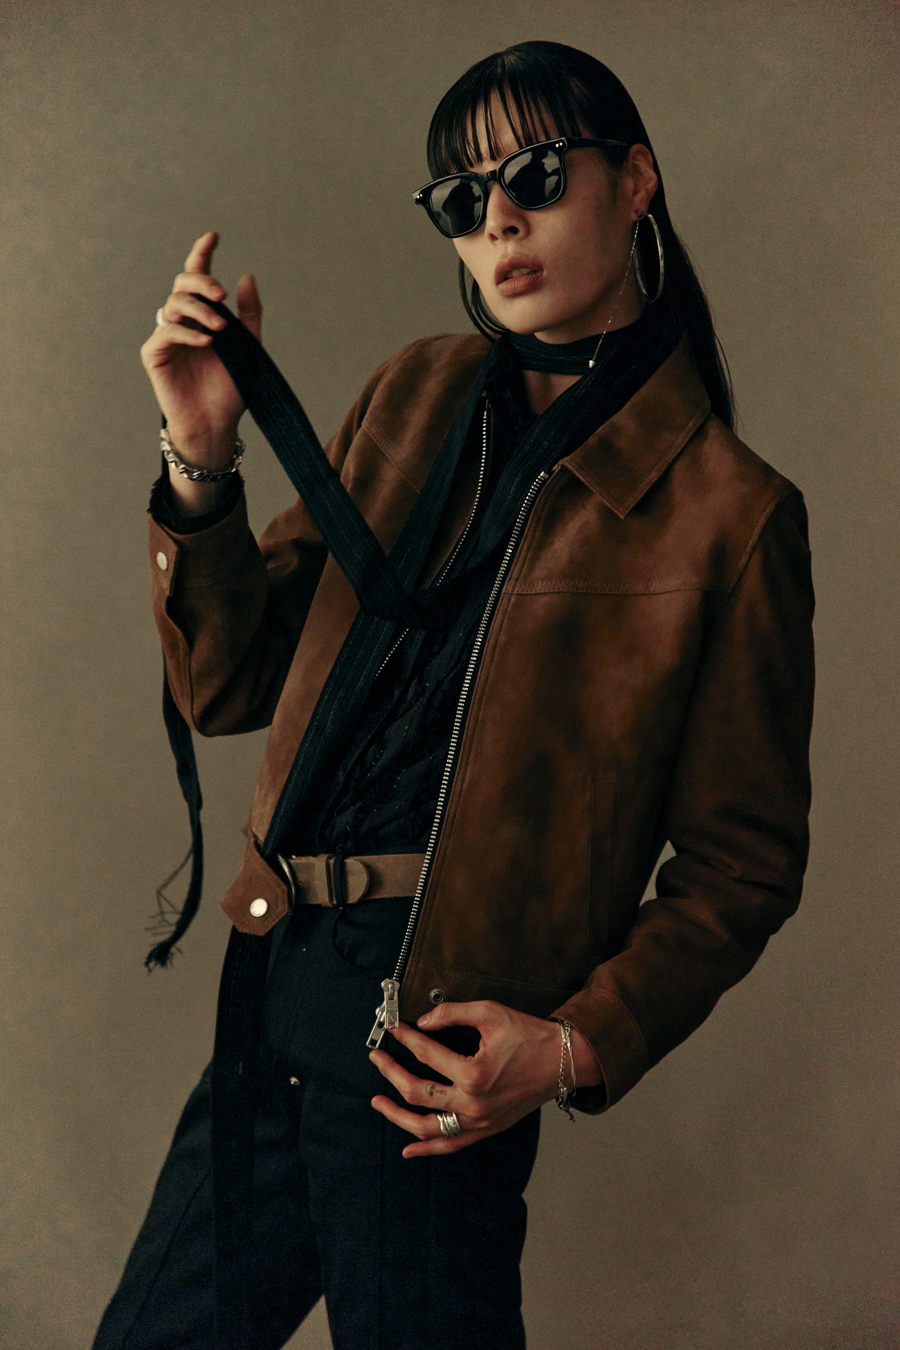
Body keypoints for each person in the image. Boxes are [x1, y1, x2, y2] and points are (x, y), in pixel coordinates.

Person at [93, 39, 814, 1350]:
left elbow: (743, 865)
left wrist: (575, 1044)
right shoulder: (415, 392)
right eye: (463, 199)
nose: (500, 223)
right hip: (275, 992)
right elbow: (230, 681)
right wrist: (200, 454)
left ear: (635, 179)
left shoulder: (729, 514)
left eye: (535, 176)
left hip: (434, 1048)